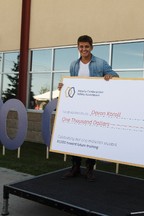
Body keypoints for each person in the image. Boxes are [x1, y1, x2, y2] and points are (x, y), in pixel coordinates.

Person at [58, 35, 119, 181]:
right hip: (78, 106)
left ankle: (90, 169)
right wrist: (63, 86)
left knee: (91, 137)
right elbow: (73, 85)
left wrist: (109, 76)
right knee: (76, 136)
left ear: (91, 47)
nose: (83, 49)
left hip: (94, 106)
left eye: (86, 46)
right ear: (78, 47)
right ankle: (75, 167)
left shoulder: (100, 63)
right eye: (81, 46)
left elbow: (115, 76)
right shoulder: (74, 65)